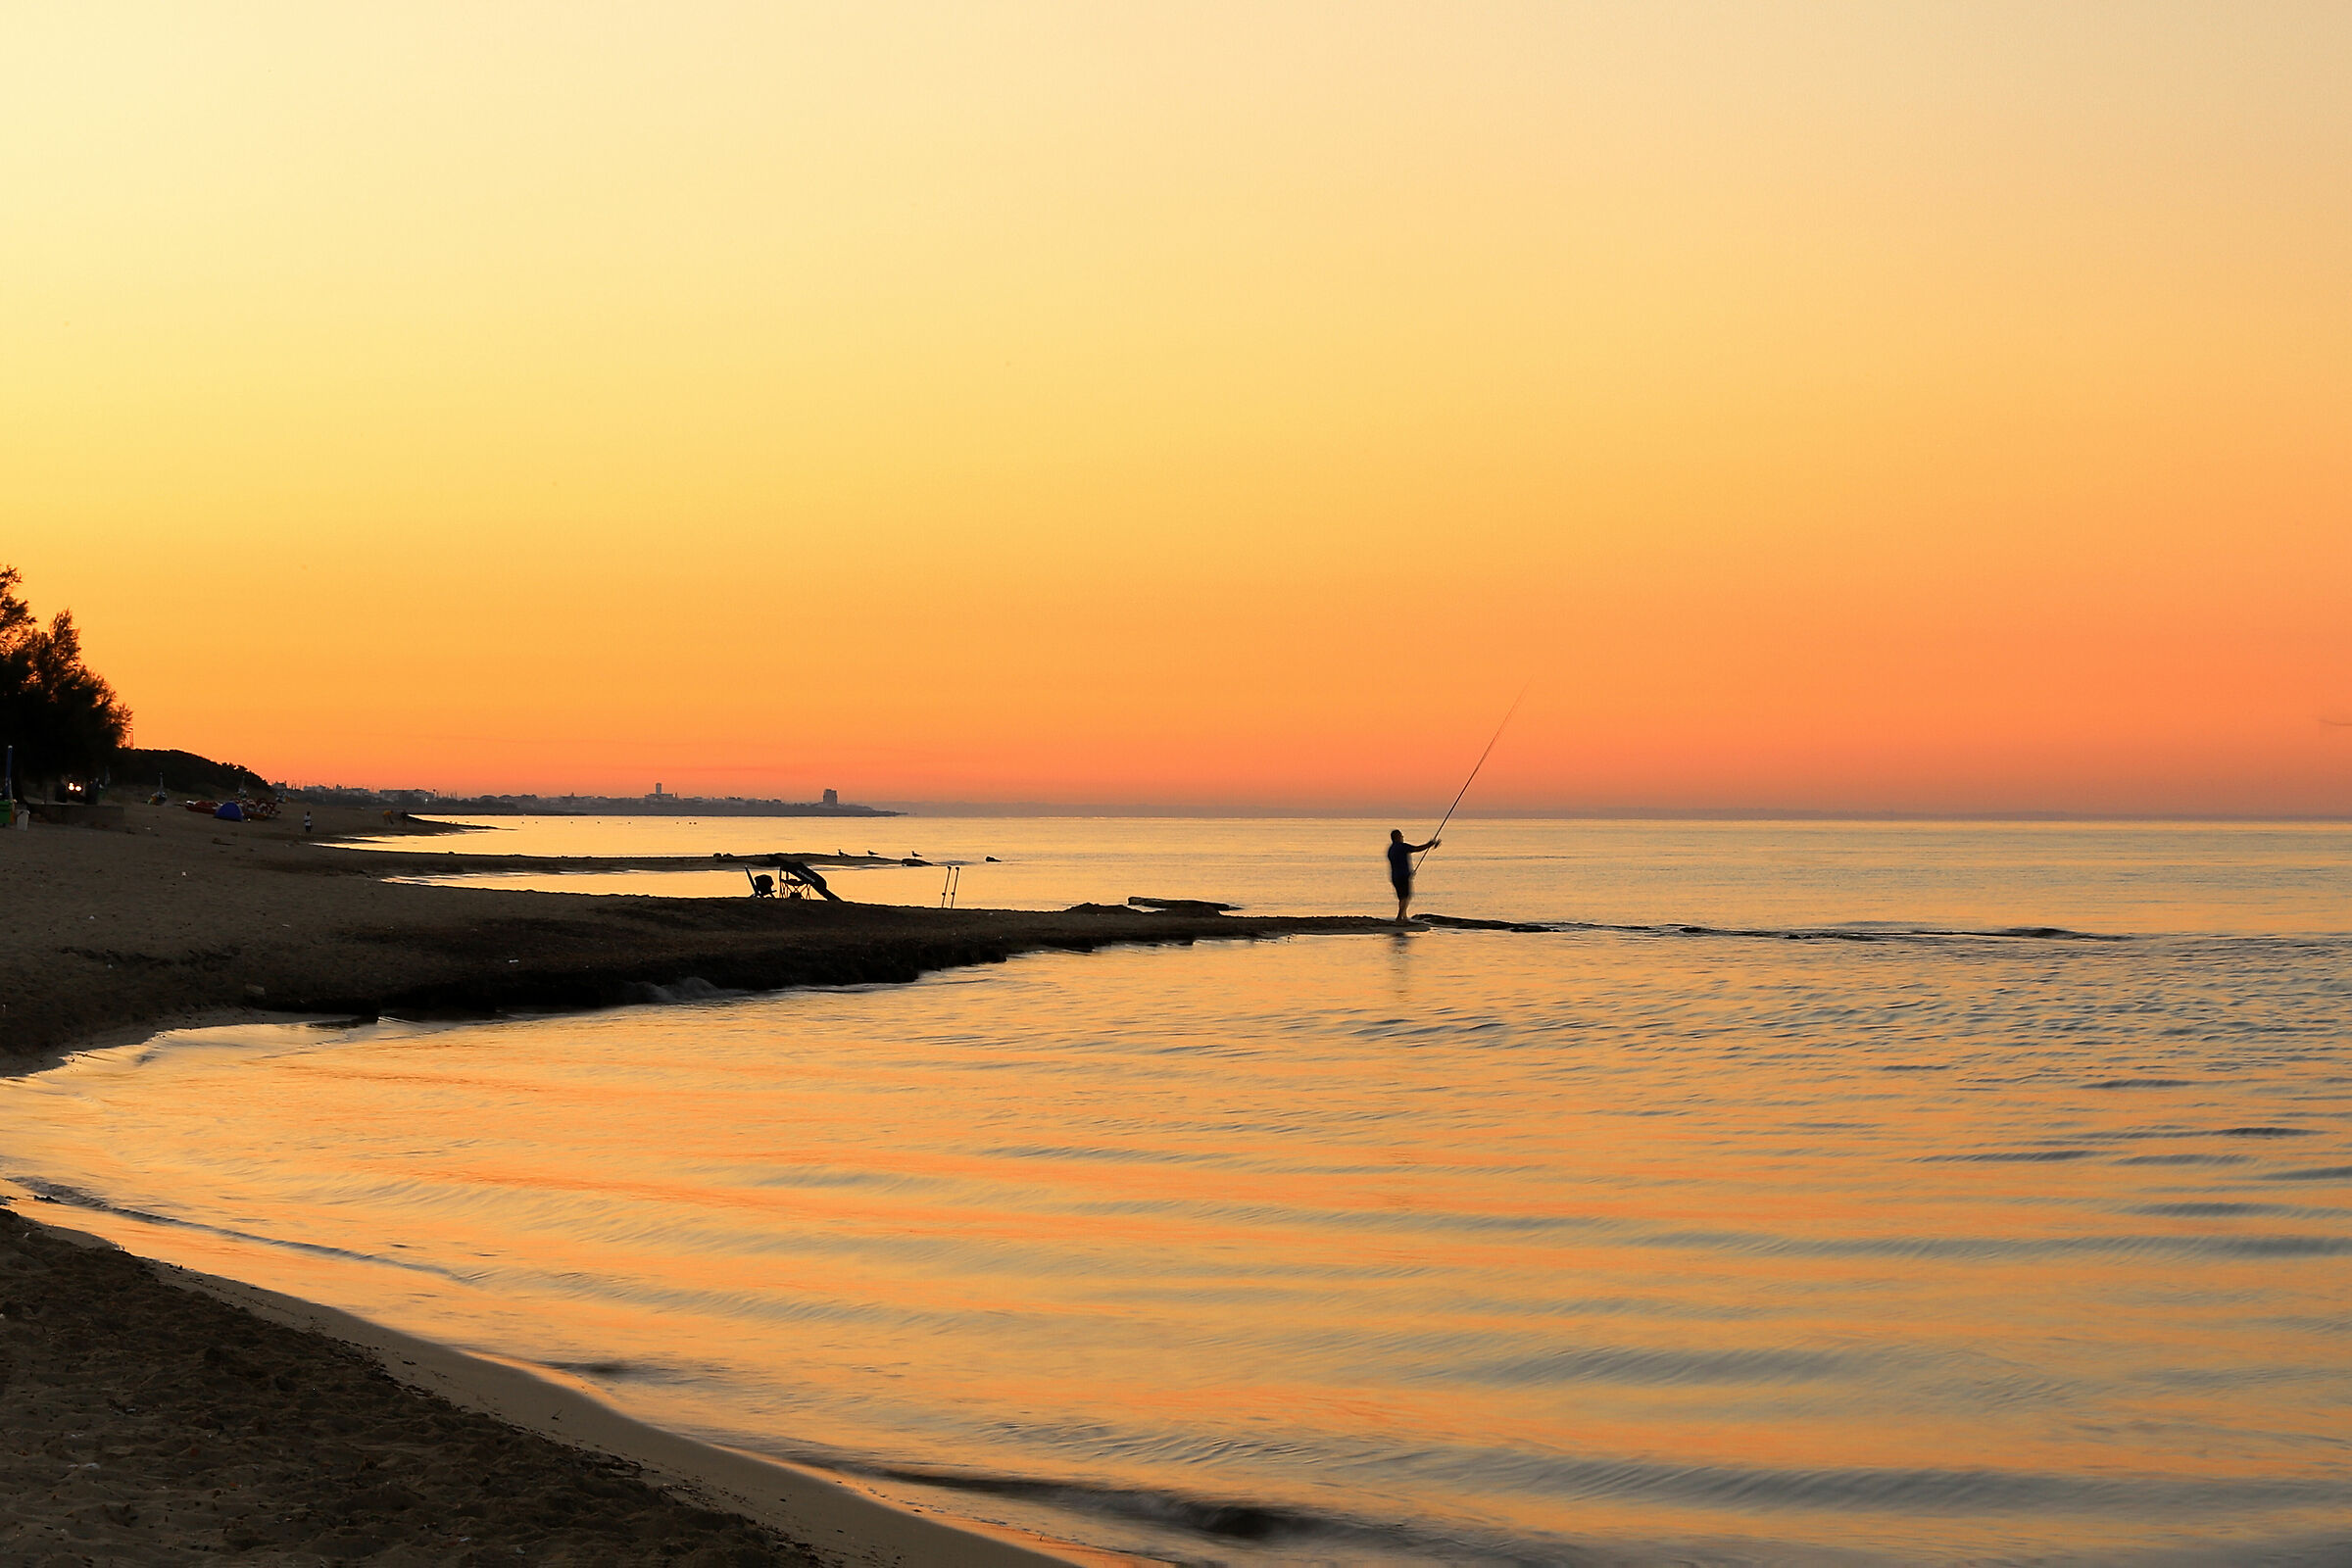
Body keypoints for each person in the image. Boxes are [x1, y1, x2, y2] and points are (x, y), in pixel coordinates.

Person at [1387, 828, 1439, 922]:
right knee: (1405, 897)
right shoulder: (1401, 847)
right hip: (1403, 876)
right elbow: (1416, 849)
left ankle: (1404, 917)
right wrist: (1429, 844)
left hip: (1395, 876)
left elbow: (1399, 862)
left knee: (1402, 897)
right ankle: (1399, 917)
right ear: (1397, 837)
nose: (1402, 837)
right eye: (1401, 836)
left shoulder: (1391, 849)